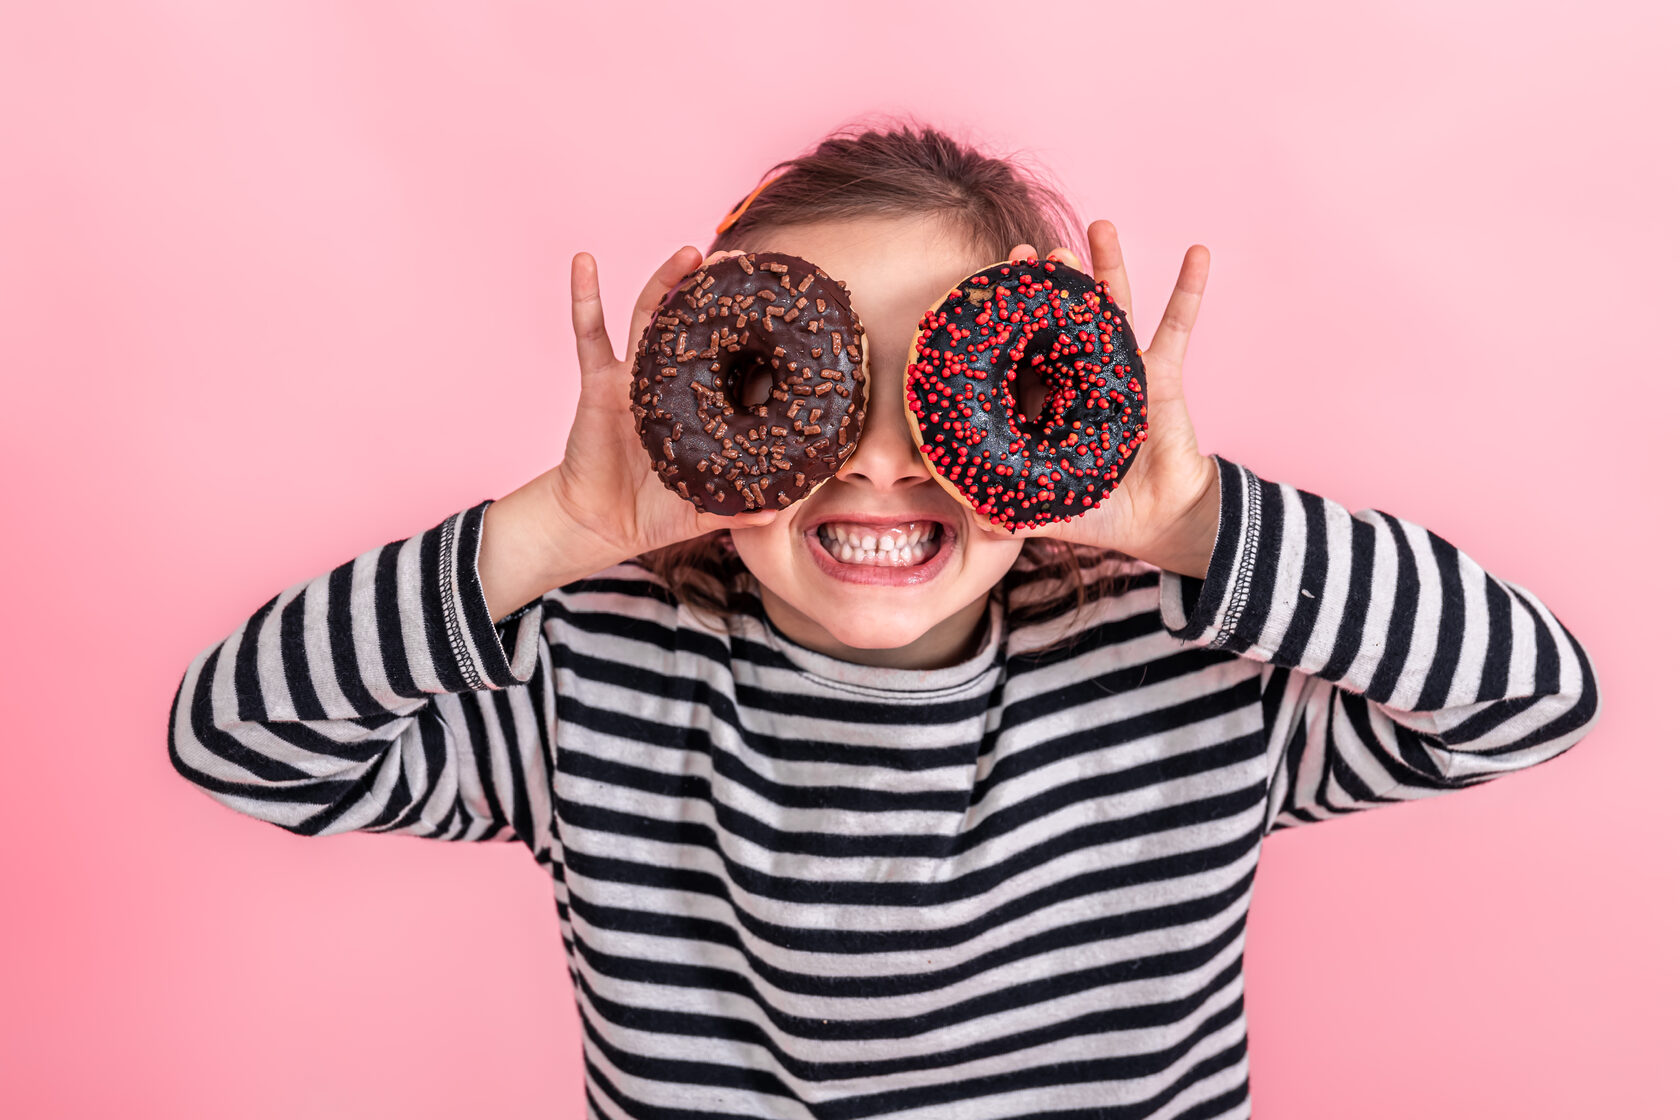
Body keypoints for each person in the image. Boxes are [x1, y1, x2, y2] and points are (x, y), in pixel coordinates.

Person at [167, 119, 1601, 1119]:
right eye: (806, 386)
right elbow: (247, 741)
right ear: (704, 407)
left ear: (1053, 404)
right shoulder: (597, 682)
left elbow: (1528, 696)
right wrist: (565, 528)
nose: (873, 455)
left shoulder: (1188, 671)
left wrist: (1193, 523)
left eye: (953, 391)